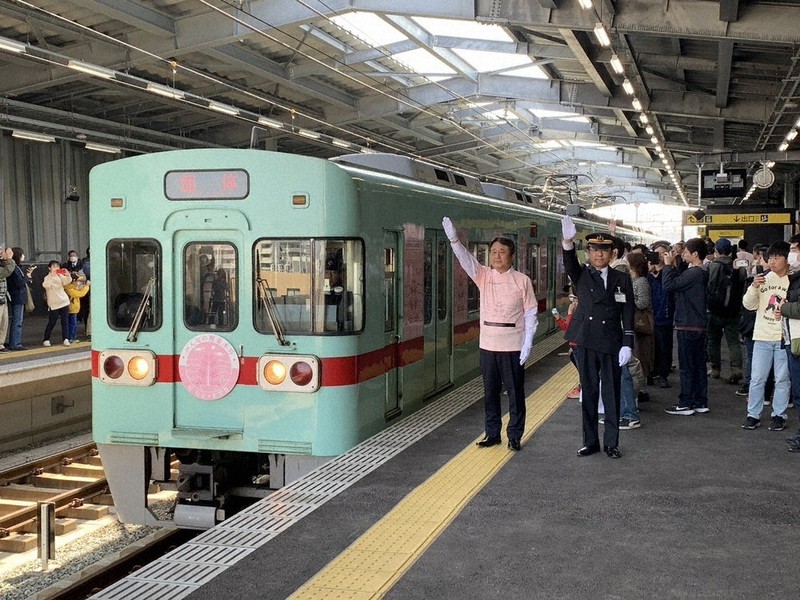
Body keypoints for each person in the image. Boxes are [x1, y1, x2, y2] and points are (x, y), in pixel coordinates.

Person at [442, 216, 537, 451]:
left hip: (513, 346)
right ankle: (492, 433)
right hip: (488, 345)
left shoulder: (522, 281)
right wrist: (454, 240)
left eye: (502, 252)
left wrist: (527, 344)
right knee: (490, 392)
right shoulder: (484, 276)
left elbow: (531, 314)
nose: (496, 256)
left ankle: (514, 434)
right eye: (493, 251)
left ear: (511, 255)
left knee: (515, 393)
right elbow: (466, 261)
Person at [560, 216, 634, 459]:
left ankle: (611, 443)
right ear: (588, 253)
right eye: (594, 250)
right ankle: (590, 441)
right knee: (589, 393)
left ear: (612, 254)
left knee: (611, 395)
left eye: (604, 251)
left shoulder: (622, 279)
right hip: (587, 341)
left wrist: (628, 343)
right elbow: (569, 263)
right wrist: (568, 242)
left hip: (612, 342)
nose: (599, 255)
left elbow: (628, 311)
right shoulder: (581, 276)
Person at [742, 240, 791, 431]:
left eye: (777, 257)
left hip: (782, 338)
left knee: (782, 379)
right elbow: (749, 305)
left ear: (788, 259)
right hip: (762, 335)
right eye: (770, 257)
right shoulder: (763, 279)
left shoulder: (792, 281)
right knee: (757, 379)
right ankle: (753, 415)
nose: (772, 261)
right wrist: (754, 286)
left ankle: (779, 415)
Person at [662, 238, 709, 415]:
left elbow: (669, 286)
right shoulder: (701, 271)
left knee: (687, 366)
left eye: (686, 251)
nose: (683, 254)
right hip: (698, 324)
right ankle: (700, 401)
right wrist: (674, 264)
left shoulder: (694, 273)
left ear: (695, 254)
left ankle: (686, 403)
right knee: (698, 365)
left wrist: (667, 266)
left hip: (687, 324)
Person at [706, 238, 745, 383]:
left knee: (713, 340)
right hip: (734, 310)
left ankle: (715, 369)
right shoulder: (738, 266)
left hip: (715, 310)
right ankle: (736, 369)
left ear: (716, 250)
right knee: (733, 341)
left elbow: (709, 286)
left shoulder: (712, 266)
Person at [648, 241, 675, 388]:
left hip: (665, 316)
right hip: (650, 317)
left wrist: (667, 266)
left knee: (665, 347)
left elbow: (669, 288)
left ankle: (663, 374)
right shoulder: (648, 274)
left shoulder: (670, 272)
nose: (658, 256)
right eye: (656, 253)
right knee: (652, 347)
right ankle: (652, 372)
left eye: (662, 254)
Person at [5, 247, 34, 351]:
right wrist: (27, 277)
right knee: (17, 321)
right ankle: (15, 343)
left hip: (16, 296)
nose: (23, 256)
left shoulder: (17, 267)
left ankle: (14, 341)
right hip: (17, 297)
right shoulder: (15, 268)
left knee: (16, 320)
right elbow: (20, 283)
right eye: (22, 254)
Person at [42, 261, 72, 347]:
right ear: (49, 268)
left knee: (65, 321)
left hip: (64, 301)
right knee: (52, 321)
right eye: (54, 266)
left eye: (57, 266)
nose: (56, 268)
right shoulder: (47, 277)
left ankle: (66, 339)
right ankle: (46, 339)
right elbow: (46, 285)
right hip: (54, 303)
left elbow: (67, 281)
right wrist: (52, 275)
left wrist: (67, 274)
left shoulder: (60, 276)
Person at [64, 272, 90, 342]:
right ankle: (71, 338)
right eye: (78, 281)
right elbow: (80, 294)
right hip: (71, 310)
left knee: (74, 324)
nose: (79, 283)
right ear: (73, 281)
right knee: (72, 324)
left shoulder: (72, 287)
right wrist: (87, 286)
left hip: (74, 309)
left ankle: (73, 337)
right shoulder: (69, 289)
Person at [0, 246, 15, 352]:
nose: (1, 252)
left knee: (4, 323)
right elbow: (6, 271)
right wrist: (9, 259)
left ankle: (1, 343)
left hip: (3, 298)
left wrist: (6, 259)